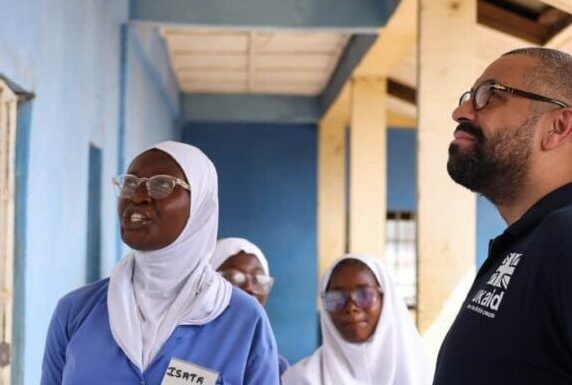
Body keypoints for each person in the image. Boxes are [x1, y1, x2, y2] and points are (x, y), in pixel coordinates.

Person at [41, 141, 279, 385]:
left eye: (162, 184)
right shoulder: (75, 311)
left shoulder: (244, 320)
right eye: (130, 182)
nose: (138, 196)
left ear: (200, 205)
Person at [433, 47, 572, 384]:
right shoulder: (530, 242)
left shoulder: (566, 238)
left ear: (557, 126)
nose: (460, 111)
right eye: (469, 96)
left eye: (491, 95)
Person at [281, 254, 431, 385]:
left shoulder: (422, 373)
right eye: (336, 298)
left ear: (385, 299)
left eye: (364, 295)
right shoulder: (300, 380)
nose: (351, 307)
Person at [210, 237, 290, 375]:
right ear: (209, 282)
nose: (249, 288)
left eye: (258, 279)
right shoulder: (183, 349)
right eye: (233, 277)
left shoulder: (278, 369)